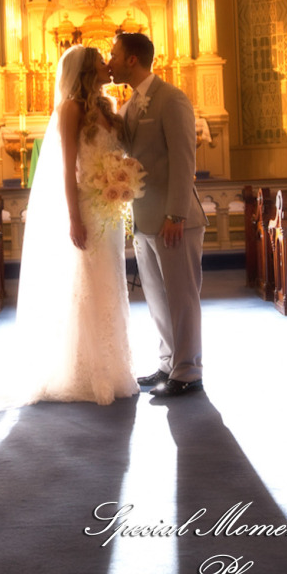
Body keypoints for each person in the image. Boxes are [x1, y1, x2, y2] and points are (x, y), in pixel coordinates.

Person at [0, 44, 140, 411]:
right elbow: (67, 168)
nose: (106, 64)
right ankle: (84, 369)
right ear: (85, 69)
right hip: (87, 209)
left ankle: (113, 364)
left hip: (108, 209)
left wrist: (121, 180)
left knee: (110, 281)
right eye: (99, 60)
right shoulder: (70, 109)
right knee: (89, 285)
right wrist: (74, 217)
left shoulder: (109, 109)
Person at [108, 32, 207, 398]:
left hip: (174, 220)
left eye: (114, 54)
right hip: (145, 219)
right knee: (156, 296)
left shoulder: (172, 99)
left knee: (182, 296)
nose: (110, 60)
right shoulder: (131, 104)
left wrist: (176, 215)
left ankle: (189, 369)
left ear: (132, 60)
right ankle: (169, 362)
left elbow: (185, 161)